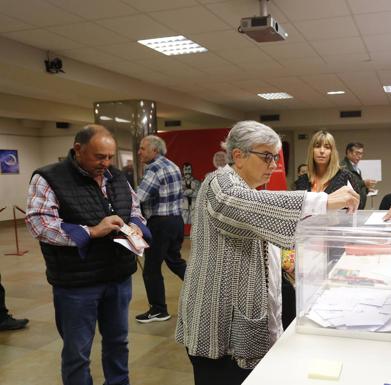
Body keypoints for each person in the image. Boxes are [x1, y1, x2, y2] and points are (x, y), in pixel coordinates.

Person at [175, 121, 359, 385]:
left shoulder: (245, 187)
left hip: (236, 317)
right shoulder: (219, 184)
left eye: (276, 156)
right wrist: (323, 200)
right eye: (267, 157)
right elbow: (245, 206)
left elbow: (258, 229)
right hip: (217, 323)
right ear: (238, 156)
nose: (274, 165)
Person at [25, 124, 150, 385]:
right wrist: (92, 231)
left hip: (118, 277)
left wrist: (136, 225)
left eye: (110, 156)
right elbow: (39, 224)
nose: (106, 163)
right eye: (99, 156)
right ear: (78, 149)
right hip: (76, 285)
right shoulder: (48, 177)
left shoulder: (116, 176)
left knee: (118, 342)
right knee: (77, 352)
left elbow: (135, 209)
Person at [135, 135, 186, 323]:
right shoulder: (172, 165)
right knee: (175, 261)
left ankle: (158, 310)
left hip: (160, 224)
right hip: (176, 221)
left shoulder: (154, 169)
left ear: (154, 150)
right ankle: (204, 294)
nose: (139, 152)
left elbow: (139, 198)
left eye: (142, 148)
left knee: (151, 269)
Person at [340, 142, 376, 209]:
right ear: (349, 152)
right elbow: (347, 185)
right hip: (347, 209)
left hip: (356, 207)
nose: (360, 156)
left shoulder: (356, 168)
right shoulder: (343, 167)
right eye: (357, 153)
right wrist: (364, 183)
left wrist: (366, 190)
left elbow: (357, 186)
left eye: (361, 153)